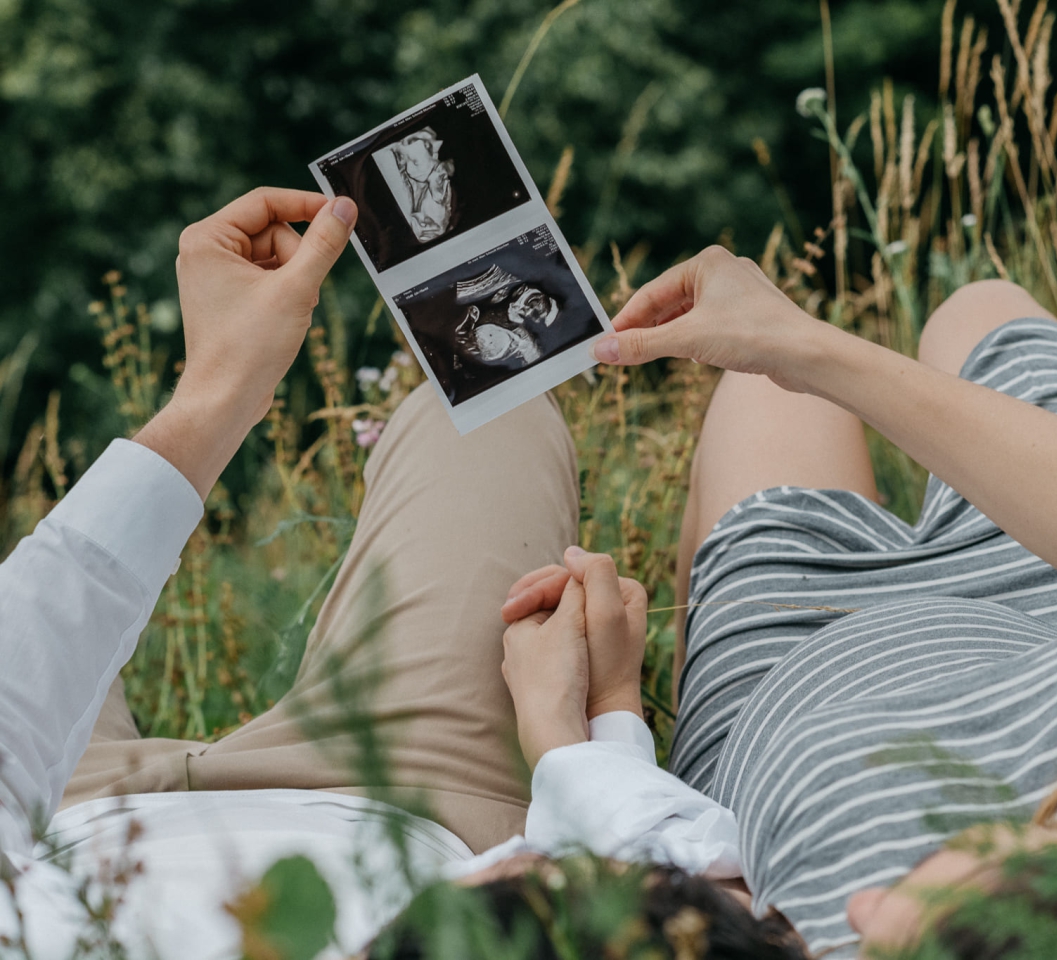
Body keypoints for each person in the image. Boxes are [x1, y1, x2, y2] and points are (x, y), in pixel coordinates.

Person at [492, 247, 1057, 957]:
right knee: (982, 307)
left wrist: (587, 724)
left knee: (758, 400)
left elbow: (683, 898)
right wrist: (804, 346)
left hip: (799, 660)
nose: (856, 916)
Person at [0, 190, 783, 959]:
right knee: (487, 420)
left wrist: (220, 393)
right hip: (407, 806)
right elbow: (720, 916)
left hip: (51, 826)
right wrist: (589, 736)